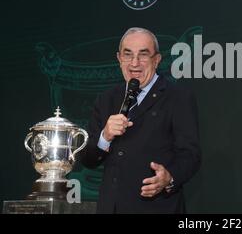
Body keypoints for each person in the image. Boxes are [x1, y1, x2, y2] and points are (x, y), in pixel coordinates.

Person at [81, 27, 201, 213]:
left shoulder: (177, 97)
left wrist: (169, 177)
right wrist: (105, 136)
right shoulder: (107, 99)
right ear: (119, 59)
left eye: (143, 55)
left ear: (157, 60)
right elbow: (88, 159)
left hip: (157, 208)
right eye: (128, 55)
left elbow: (190, 155)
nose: (134, 63)